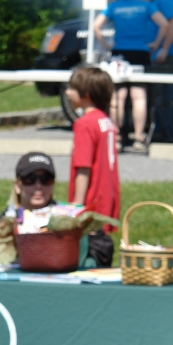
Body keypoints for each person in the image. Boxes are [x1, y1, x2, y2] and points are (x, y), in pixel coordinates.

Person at [0, 151, 113, 267]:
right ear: (17, 185)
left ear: (53, 184)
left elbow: (103, 256)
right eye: (30, 179)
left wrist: (88, 233)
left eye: (45, 179)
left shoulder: (73, 218)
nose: (38, 185)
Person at [93, 0, 168, 150]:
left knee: (118, 95)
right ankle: (139, 137)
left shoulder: (114, 6)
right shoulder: (146, 5)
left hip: (120, 52)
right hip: (140, 52)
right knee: (139, 95)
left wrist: (105, 45)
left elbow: (96, 25)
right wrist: (155, 44)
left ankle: (117, 137)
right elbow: (164, 24)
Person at [65, 67, 120, 229]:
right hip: (107, 196)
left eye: (72, 89)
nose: (67, 92)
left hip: (91, 202)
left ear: (86, 94)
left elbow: (83, 166)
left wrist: (78, 204)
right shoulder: (106, 121)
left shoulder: (84, 124)